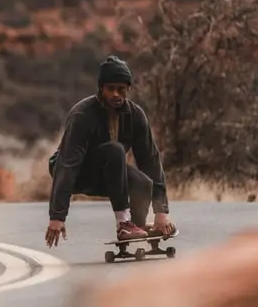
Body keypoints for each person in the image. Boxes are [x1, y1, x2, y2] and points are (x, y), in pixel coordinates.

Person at [44, 55, 176, 249]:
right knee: (115, 150)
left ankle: (136, 226)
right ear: (101, 88)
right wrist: (57, 216)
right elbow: (67, 165)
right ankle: (123, 224)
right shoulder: (82, 115)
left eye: (121, 89)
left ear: (128, 89)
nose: (116, 94)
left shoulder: (135, 115)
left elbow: (150, 160)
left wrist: (161, 212)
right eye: (110, 89)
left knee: (142, 182)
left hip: (109, 172)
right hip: (78, 172)